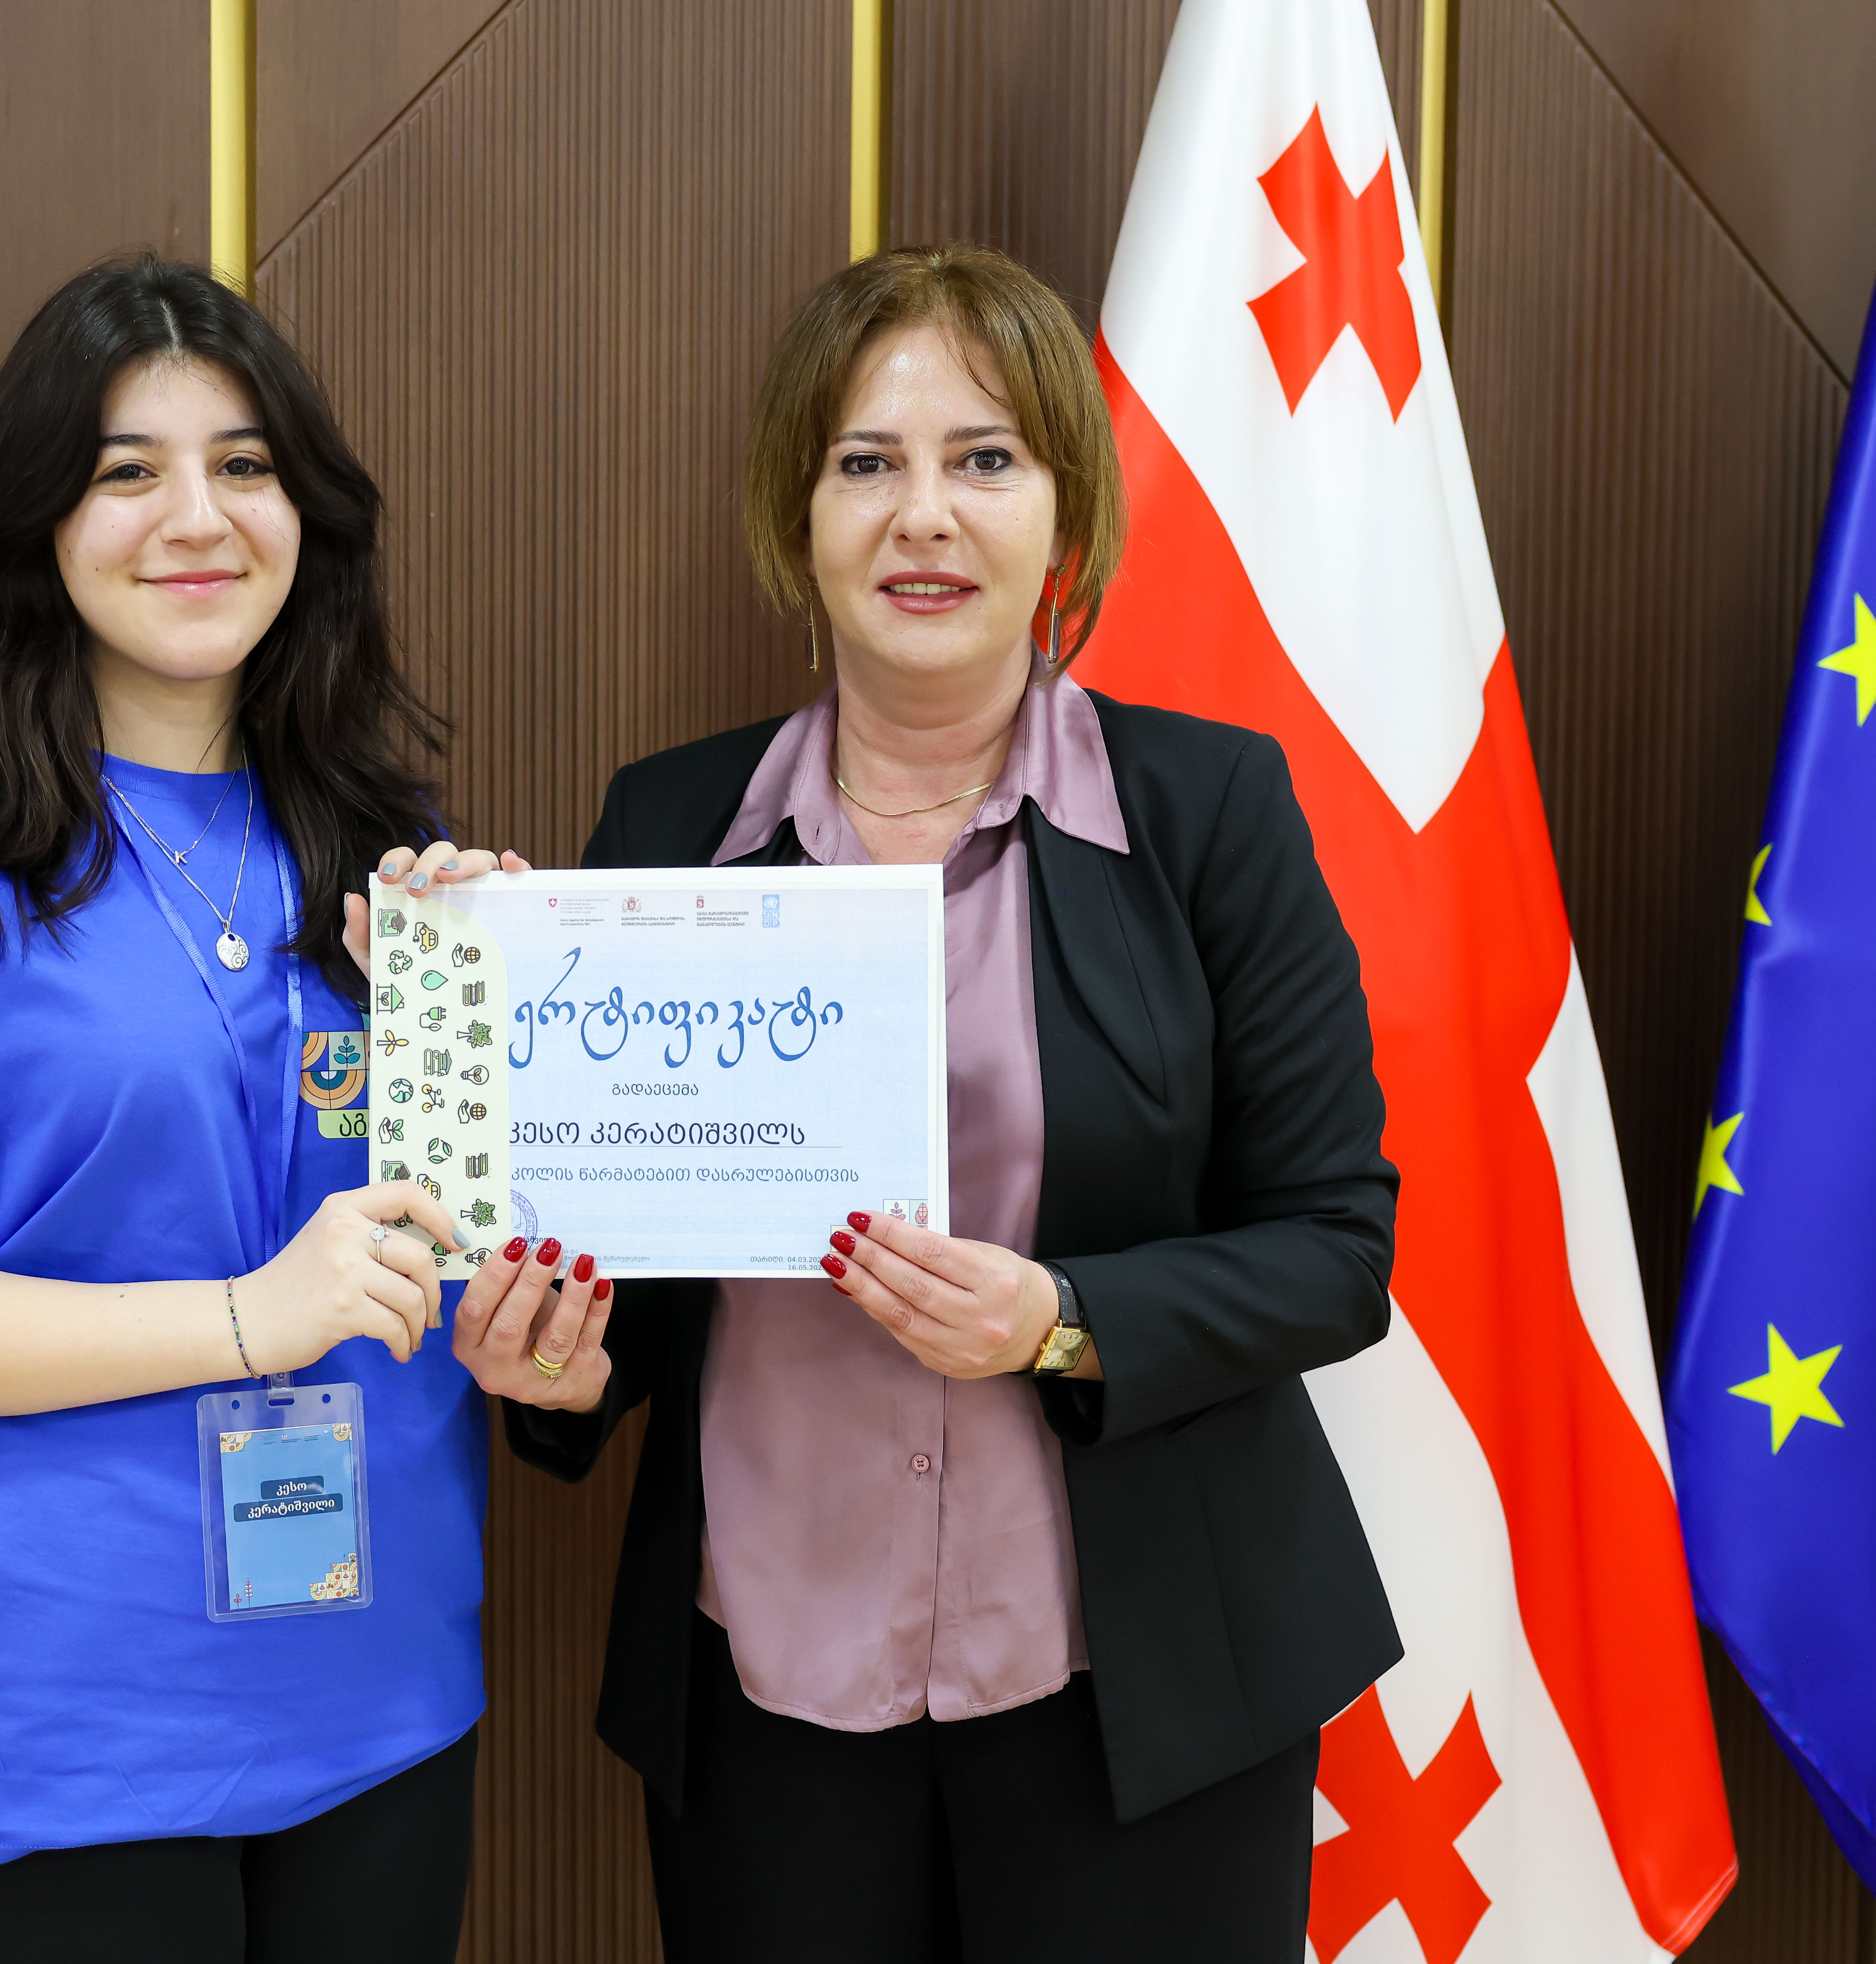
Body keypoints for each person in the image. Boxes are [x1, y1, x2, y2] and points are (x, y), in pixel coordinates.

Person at [488, 244, 1405, 1960]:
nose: (923, 516)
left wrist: (1060, 1320)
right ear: (799, 518)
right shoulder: (665, 828)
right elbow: (620, 1281)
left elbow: (1333, 1250)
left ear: (1066, 521)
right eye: (866, 463)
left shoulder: (1208, 809)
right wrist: (555, 1359)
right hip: (763, 1691)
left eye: (984, 458)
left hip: (1139, 1693)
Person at [0, 254, 577, 1964]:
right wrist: (248, 1318)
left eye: (245, 465)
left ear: (306, 515)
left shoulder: (400, 860)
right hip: (58, 1739)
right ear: (38, 525)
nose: (197, 518)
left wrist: (532, 1273)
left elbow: (467, 1249)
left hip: (380, 1706)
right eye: (128, 470)